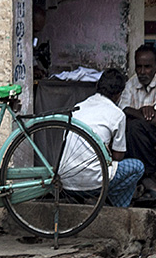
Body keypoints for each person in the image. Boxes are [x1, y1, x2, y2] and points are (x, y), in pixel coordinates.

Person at [60, 68, 144, 208]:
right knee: (137, 167)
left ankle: (91, 198)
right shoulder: (117, 114)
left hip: (66, 181)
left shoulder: (78, 107)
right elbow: (118, 156)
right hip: (93, 182)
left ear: (97, 87)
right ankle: (115, 205)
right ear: (119, 95)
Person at [119, 44, 156, 202]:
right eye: (139, 67)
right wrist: (142, 110)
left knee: (134, 127)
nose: (142, 72)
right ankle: (144, 182)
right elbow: (121, 112)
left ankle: (149, 178)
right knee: (126, 129)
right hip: (144, 134)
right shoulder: (132, 83)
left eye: (147, 67)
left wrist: (132, 112)